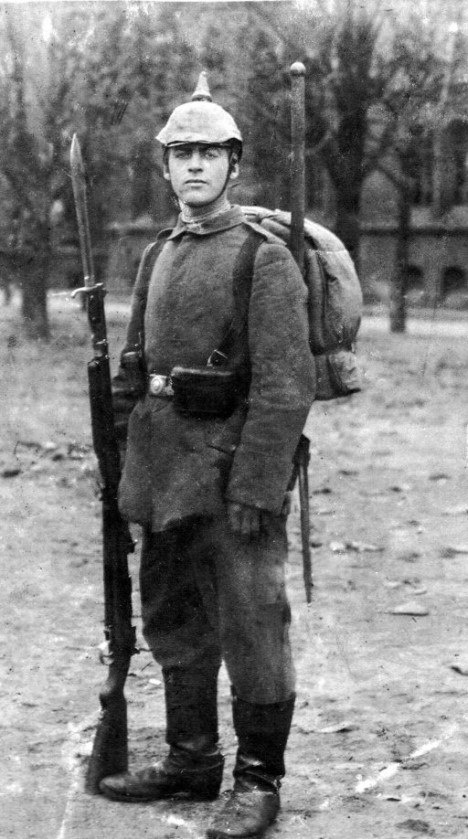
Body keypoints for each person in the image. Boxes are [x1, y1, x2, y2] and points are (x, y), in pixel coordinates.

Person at [99, 72, 315, 839]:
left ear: (233, 165)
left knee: (254, 623)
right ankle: (191, 759)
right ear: (165, 167)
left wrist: (257, 484)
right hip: (163, 470)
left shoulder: (263, 258)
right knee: (173, 618)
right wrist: (118, 467)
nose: (195, 165)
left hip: (232, 474)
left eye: (210, 153)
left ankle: (258, 780)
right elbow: (132, 369)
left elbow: (286, 384)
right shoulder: (157, 254)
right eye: (181, 153)